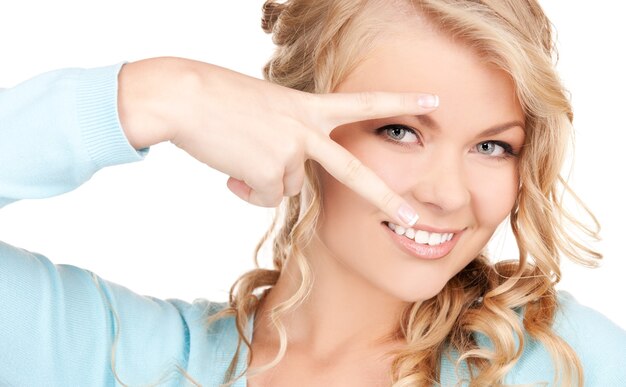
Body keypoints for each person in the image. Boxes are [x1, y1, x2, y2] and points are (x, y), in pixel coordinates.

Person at [0, 2, 624, 387]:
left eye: (493, 146)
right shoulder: (120, 357)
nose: (447, 195)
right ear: (289, 119)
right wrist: (160, 93)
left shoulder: (567, 361)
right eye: (400, 131)